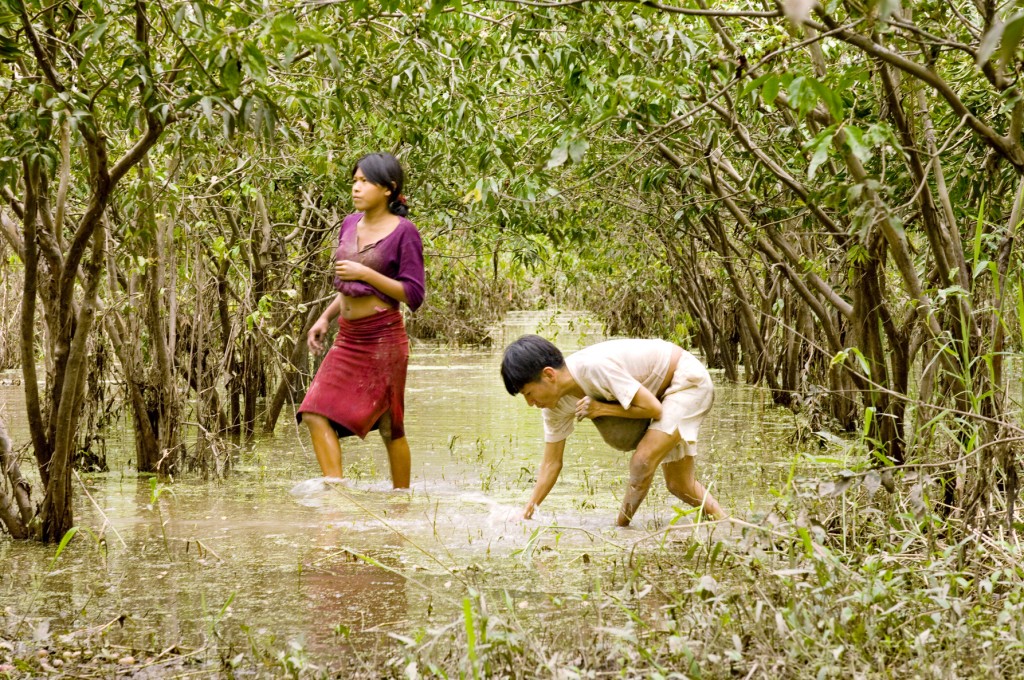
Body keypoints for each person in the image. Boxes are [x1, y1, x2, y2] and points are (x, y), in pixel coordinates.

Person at [297, 152, 425, 488]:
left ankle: (401, 501)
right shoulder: (349, 224)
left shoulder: (404, 232)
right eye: (354, 180)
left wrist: (366, 272)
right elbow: (349, 287)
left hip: (384, 340)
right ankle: (336, 494)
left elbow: (413, 295)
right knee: (312, 411)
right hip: (348, 337)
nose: (356, 187)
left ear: (388, 189)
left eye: (365, 181)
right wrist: (325, 318)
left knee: (389, 426)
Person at [501, 334, 725, 526]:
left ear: (549, 375)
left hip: (684, 380)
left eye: (529, 393)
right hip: (656, 393)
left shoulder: (593, 367)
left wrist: (600, 408)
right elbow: (552, 464)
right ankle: (727, 525)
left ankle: (622, 528)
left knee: (642, 461)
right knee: (679, 485)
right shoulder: (553, 407)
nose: (530, 403)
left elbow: (653, 409)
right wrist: (527, 513)